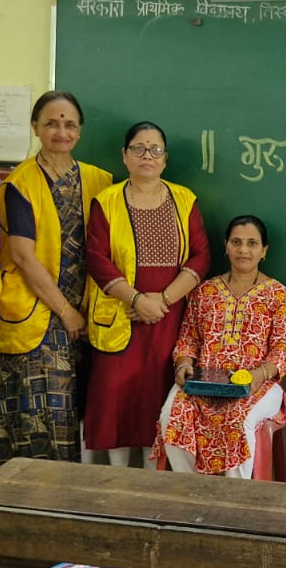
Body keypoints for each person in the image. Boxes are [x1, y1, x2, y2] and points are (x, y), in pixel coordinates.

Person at [0, 91, 113, 466]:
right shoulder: (21, 183)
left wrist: (83, 313)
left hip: (86, 313)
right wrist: (66, 312)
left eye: (70, 124)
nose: (61, 131)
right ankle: (30, 499)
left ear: (80, 131)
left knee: (71, 409)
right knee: (39, 413)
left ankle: (61, 500)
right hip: (38, 311)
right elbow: (25, 257)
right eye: (52, 123)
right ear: (36, 128)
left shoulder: (99, 180)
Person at [83, 121, 211, 466]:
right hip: (121, 315)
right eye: (138, 148)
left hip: (169, 319)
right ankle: (118, 477)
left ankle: (155, 475)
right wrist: (138, 300)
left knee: (157, 397)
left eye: (155, 149)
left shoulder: (185, 200)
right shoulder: (106, 201)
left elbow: (201, 254)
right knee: (115, 398)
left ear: (165, 159)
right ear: (124, 156)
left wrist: (162, 301)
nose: (147, 156)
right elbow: (96, 257)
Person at [156, 215, 286, 477]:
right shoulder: (205, 291)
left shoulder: (278, 295)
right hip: (206, 382)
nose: (244, 250)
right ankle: (191, 491)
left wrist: (258, 376)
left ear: (264, 251)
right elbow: (189, 339)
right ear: (226, 246)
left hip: (258, 384)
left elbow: (282, 351)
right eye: (236, 242)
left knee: (237, 420)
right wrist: (184, 364)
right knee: (172, 414)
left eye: (252, 243)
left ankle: (232, 502)